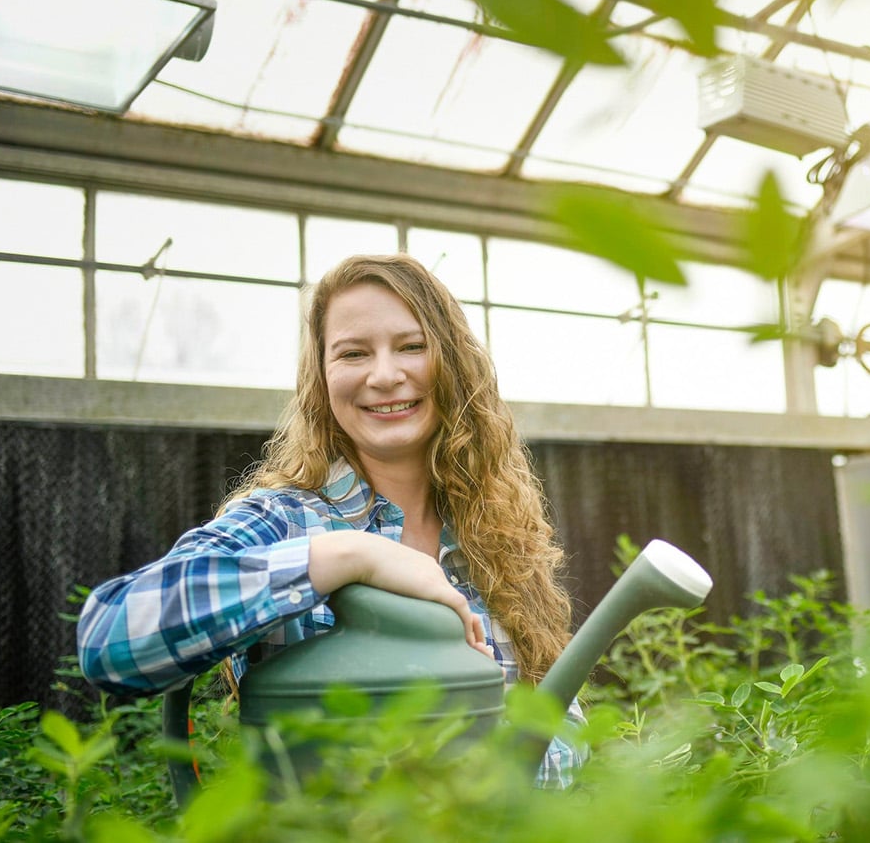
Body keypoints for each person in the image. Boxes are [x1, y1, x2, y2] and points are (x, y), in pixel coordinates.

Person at [77, 253, 583, 788]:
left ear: (453, 363)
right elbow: (109, 638)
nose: (385, 376)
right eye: (353, 353)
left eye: (412, 346)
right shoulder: (285, 520)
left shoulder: (495, 534)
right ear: (321, 377)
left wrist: (495, 746)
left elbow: (568, 730)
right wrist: (349, 556)